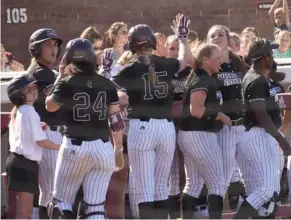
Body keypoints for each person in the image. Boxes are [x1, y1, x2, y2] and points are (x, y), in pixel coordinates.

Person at [112, 13, 192, 219]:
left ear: (131, 45)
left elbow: (110, 85)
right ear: (154, 43)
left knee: (144, 187)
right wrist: (183, 39)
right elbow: (185, 60)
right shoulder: (165, 63)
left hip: (142, 127)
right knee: (161, 187)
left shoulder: (129, 68)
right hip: (166, 128)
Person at [45, 38, 124, 219]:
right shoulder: (107, 83)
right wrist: (117, 148)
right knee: (95, 207)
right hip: (103, 148)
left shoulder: (67, 82)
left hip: (75, 147)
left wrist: (60, 76)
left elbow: (50, 107)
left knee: (61, 203)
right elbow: (116, 120)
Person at [235, 37, 291, 219]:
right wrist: (282, 140)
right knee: (267, 190)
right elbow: (261, 115)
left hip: (252, 136)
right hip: (257, 135)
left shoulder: (253, 77)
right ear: (265, 57)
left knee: (261, 195)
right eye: (271, 54)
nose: (273, 57)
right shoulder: (256, 80)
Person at [178, 42, 231, 219]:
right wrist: (221, 116)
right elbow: (197, 110)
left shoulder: (203, 77)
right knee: (217, 183)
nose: (220, 62)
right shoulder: (202, 79)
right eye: (217, 58)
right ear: (205, 60)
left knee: (193, 184)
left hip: (191, 135)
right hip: (199, 135)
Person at [6, 74, 60, 219]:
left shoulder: (21, 111)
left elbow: (25, 135)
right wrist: (61, 147)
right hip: (24, 163)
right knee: (25, 213)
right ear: (19, 95)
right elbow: (41, 142)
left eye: (34, 87)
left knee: (24, 212)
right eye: (28, 89)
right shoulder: (29, 111)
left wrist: (38, 127)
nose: (34, 90)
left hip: (19, 162)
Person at [26, 28, 64, 219]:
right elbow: (58, 101)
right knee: (52, 192)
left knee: (46, 193)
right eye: (47, 44)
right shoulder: (43, 73)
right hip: (47, 133)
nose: (53, 49)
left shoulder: (45, 72)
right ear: (36, 49)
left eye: (55, 44)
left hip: (43, 134)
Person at [207, 24, 247, 197]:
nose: (216, 37)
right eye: (212, 35)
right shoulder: (207, 66)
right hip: (223, 127)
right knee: (223, 176)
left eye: (220, 34)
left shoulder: (239, 63)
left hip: (243, 125)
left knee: (246, 175)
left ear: (228, 39)